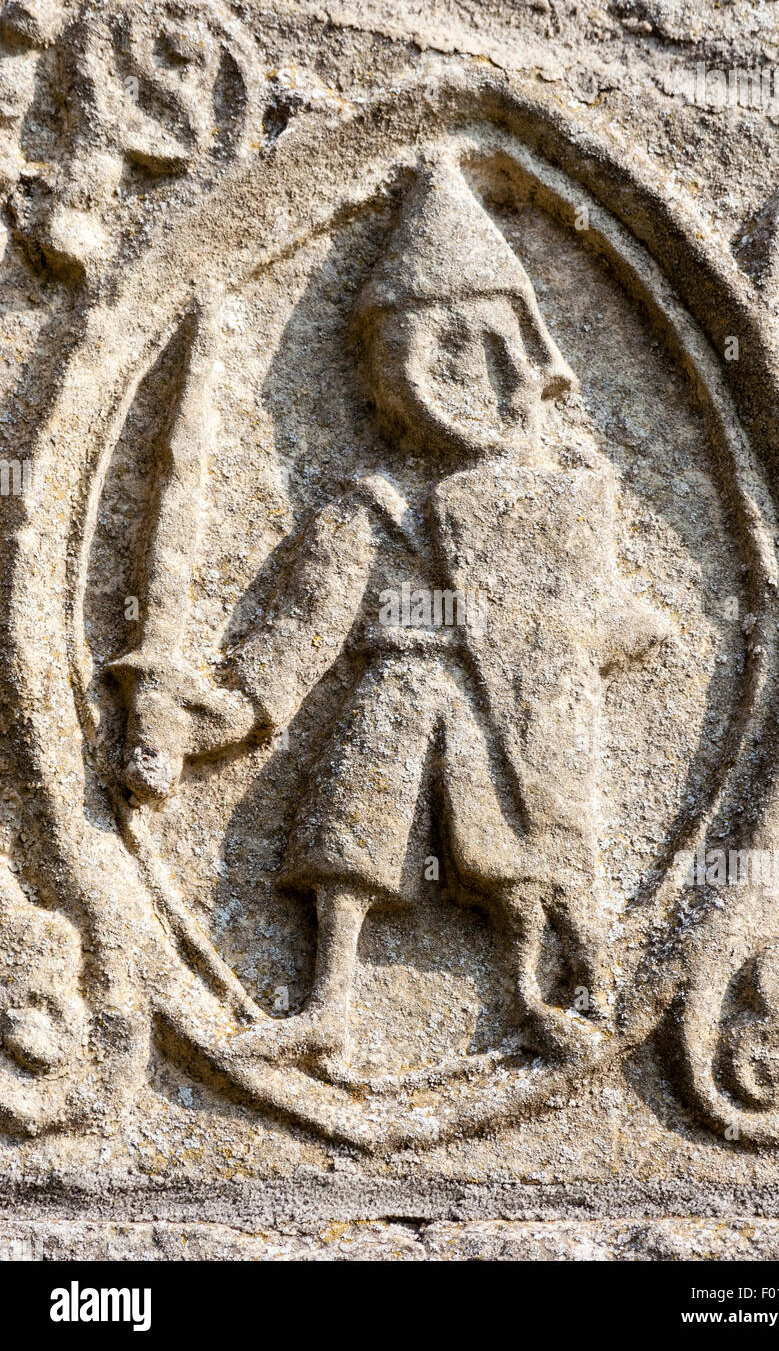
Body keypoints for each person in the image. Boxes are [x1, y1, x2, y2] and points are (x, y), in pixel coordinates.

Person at [111, 160, 671, 1066]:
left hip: (515, 712)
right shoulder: (370, 505)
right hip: (399, 687)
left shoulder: (564, 502)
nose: (435, 378)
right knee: (349, 835)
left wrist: (595, 633)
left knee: (524, 849)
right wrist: (201, 714)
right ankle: (328, 1001)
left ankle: (536, 990)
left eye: (461, 349)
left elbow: (599, 619)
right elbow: (296, 639)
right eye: (410, 353)